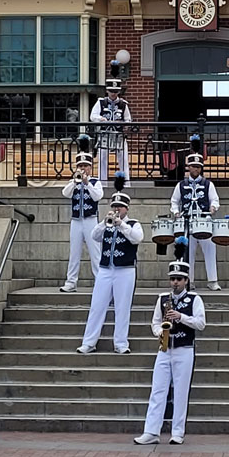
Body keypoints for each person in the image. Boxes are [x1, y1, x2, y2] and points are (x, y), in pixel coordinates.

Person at [134, 237, 206, 446]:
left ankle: (177, 432)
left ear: (186, 281)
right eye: (172, 278)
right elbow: (155, 322)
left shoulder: (194, 299)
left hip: (184, 349)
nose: (175, 282)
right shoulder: (162, 298)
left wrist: (181, 317)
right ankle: (151, 431)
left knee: (181, 392)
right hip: (164, 348)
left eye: (179, 279)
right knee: (158, 390)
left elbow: (201, 323)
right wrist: (159, 332)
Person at [77, 173, 144, 354]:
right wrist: (103, 222)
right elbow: (94, 236)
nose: (116, 209)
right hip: (106, 270)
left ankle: (121, 344)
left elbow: (137, 238)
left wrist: (121, 224)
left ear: (126, 209)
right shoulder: (106, 224)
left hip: (125, 270)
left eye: (120, 207)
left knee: (122, 308)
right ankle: (89, 342)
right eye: (114, 206)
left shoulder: (133, 224)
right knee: (97, 306)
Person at [170, 135, 221, 291]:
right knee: (188, 253)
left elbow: (215, 200)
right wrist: (176, 212)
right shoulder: (181, 184)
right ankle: (189, 281)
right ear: (189, 167)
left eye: (198, 167)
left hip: (204, 221)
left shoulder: (208, 184)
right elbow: (174, 201)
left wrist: (213, 208)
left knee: (210, 250)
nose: (196, 169)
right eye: (193, 166)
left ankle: (212, 281)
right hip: (187, 222)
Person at [60, 134, 103, 293]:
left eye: (86, 165)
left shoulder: (95, 182)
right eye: (80, 166)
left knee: (95, 252)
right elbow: (65, 193)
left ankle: (100, 282)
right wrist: (74, 181)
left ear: (90, 167)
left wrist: (86, 184)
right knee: (74, 252)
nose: (83, 168)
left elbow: (98, 196)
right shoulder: (74, 182)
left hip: (91, 220)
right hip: (76, 221)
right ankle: (71, 282)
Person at [90, 67, 132, 183]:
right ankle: (102, 183)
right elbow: (93, 116)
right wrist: (101, 119)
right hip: (105, 134)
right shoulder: (101, 102)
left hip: (119, 135)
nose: (113, 94)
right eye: (111, 91)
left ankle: (125, 183)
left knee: (123, 159)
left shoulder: (123, 104)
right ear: (107, 91)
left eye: (116, 92)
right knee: (102, 158)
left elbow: (128, 119)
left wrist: (124, 124)